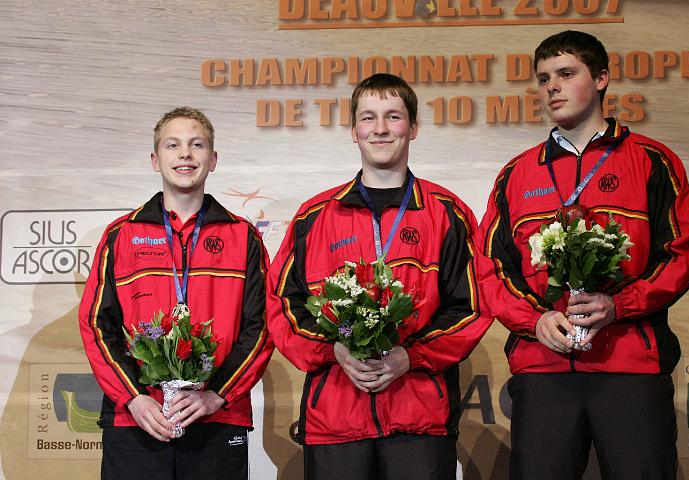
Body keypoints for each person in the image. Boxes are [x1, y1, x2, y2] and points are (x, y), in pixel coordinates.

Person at [476, 30, 689, 479]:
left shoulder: (653, 161)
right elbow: (490, 268)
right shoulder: (516, 173)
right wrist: (536, 320)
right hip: (543, 369)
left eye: (566, 74)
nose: (552, 88)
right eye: (544, 79)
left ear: (600, 79)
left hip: (632, 366)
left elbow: (682, 256)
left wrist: (619, 305)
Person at [266, 73, 491, 480]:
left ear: (413, 128)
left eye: (393, 116)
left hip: (419, 418)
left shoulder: (447, 213)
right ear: (354, 131)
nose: (381, 128)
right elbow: (283, 305)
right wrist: (334, 350)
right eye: (368, 117)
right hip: (335, 419)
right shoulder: (314, 217)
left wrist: (410, 357)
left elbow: (472, 307)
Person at [78, 106, 273, 479]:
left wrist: (216, 395)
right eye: (173, 145)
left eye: (197, 145)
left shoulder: (243, 237)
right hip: (137, 419)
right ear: (155, 160)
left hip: (216, 417)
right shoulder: (122, 235)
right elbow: (97, 324)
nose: (185, 154)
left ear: (212, 160)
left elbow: (261, 326)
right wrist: (134, 398)